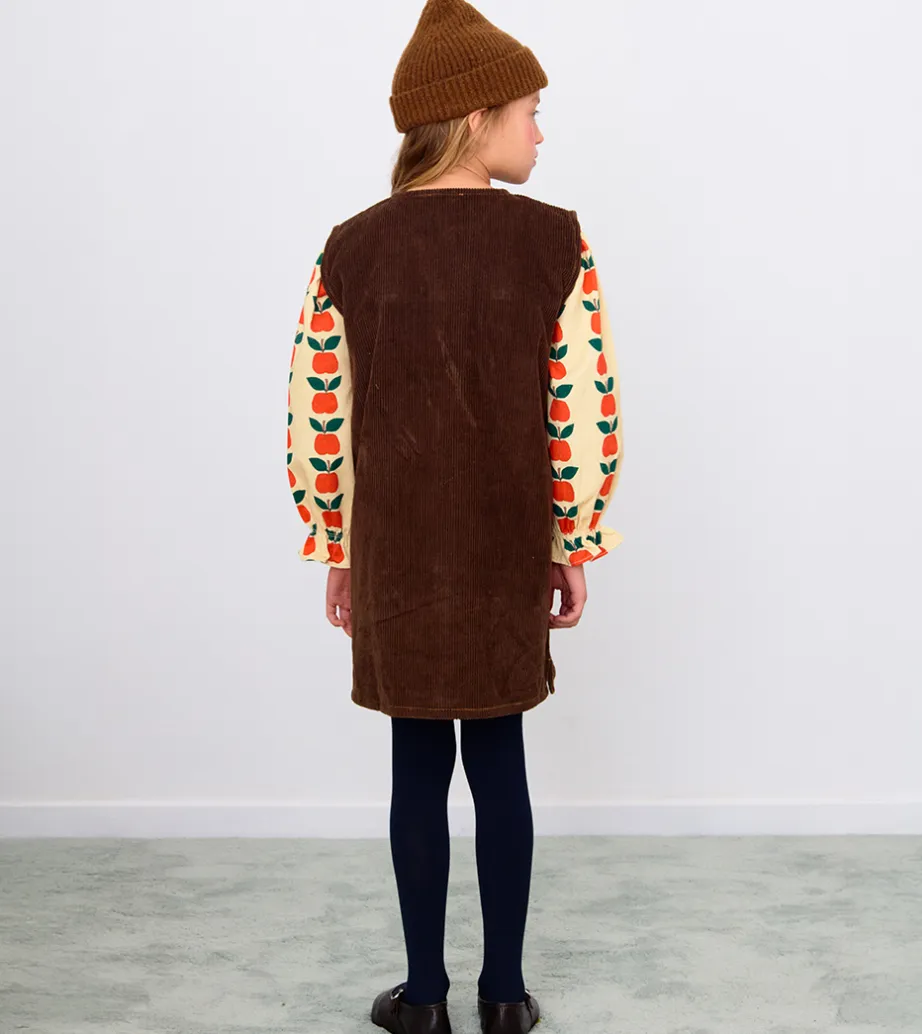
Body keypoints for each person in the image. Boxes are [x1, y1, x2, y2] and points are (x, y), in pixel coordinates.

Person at [285, 1, 623, 1030]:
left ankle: (425, 995)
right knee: (501, 762)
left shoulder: (350, 249)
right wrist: (572, 539)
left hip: (397, 552)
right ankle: (505, 994)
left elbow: (321, 415)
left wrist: (337, 543)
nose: (540, 133)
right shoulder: (554, 242)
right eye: (530, 111)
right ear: (476, 117)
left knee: (417, 767)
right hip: (502, 548)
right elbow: (581, 412)